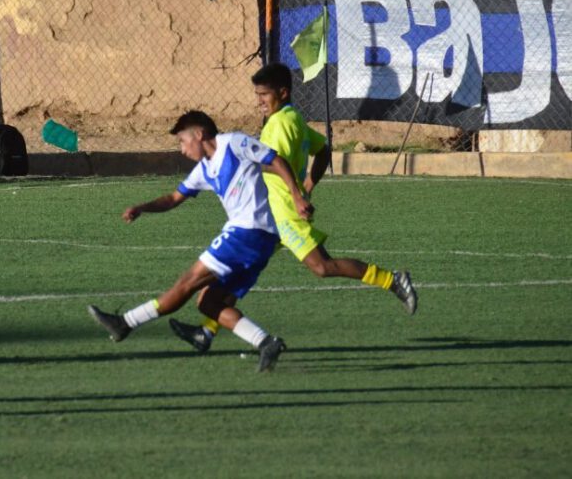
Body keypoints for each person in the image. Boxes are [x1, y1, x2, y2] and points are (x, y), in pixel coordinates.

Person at [169, 63, 417, 353]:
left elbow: (275, 162)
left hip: (281, 213)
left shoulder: (279, 125)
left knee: (323, 267)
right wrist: (307, 184)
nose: (259, 101)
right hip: (268, 215)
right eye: (257, 94)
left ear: (283, 92)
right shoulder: (293, 118)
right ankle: (207, 331)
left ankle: (393, 280)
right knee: (239, 273)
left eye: (264, 95)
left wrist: (296, 194)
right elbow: (322, 148)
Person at [87, 110, 313, 372]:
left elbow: (276, 160)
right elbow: (173, 199)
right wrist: (142, 207)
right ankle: (266, 342)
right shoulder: (204, 169)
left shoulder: (234, 142)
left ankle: (125, 323)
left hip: (246, 232)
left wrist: (297, 196)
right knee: (208, 303)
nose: (182, 149)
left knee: (186, 283)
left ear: (199, 134)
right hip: (260, 241)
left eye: (183, 141)